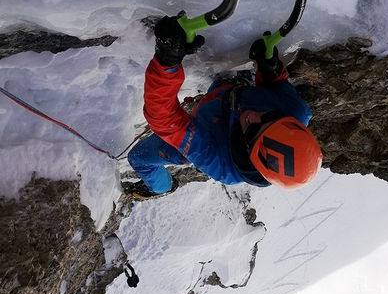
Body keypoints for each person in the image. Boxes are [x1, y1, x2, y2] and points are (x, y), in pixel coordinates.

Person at [125, 12, 322, 199]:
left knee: (138, 157)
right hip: (224, 97)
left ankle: (161, 187)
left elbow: (164, 119)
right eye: (271, 117)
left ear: (247, 149)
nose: (254, 115)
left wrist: (167, 61)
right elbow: (277, 87)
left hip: (208, 129)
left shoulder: (221, 163)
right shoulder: (296, 111)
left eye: (253, 130)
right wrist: (270, 68)